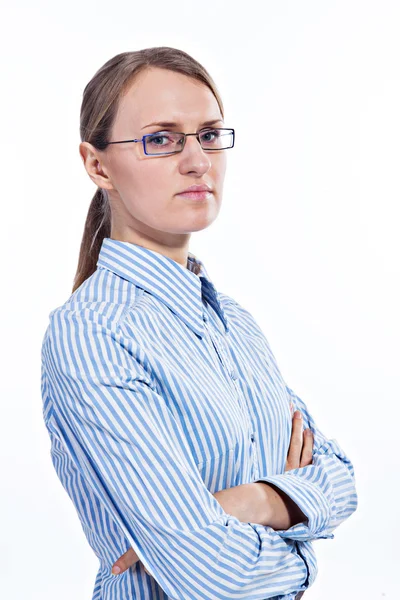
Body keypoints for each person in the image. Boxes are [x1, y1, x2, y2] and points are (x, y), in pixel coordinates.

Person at [40, 46, 358, 600]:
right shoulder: (93, 333)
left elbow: (341, 477)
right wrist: (304, 546)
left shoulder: (233, 321)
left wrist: (251, 499)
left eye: (209, 134)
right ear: (97, 165)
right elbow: (211, 574)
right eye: (161, 139)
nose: (198, 161)